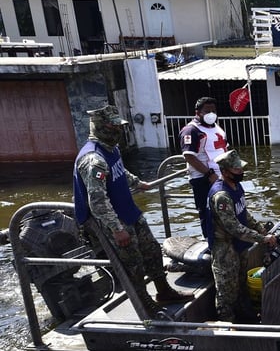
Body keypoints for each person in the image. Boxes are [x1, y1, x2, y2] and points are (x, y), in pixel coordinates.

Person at [73, 104, 194, 316]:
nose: (118, 131)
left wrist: (137, 182)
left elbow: (119, 169)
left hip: (129, 211)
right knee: (133, 263)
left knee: (153, 251)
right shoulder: (93, 160)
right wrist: (116, 229)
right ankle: (143, 302)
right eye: (113, 127)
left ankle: (163, 290)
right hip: (113, 220)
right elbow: (98, 201)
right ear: (101, 127)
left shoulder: (111, 149)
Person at [208, 150, 277, 322]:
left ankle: (244, 317)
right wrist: (262, 239)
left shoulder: (236, 187)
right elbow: (235, 228)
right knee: (226, 290)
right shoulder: (221, 196)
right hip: (225, 248)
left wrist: (260, 228)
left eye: (241, 169)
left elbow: (244, 214)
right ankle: (226, 325)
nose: (241, 172)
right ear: (225, 172)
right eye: (237, 170)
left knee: (240, 284)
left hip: (240, 245)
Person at [179, 97, 228, 239]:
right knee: (207, 211)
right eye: (207, 111)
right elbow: (189, 157)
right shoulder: (191, 130)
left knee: (224, 209)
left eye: (213, 110)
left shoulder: (216, 127)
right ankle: (210, 242)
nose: (211, 113)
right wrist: (209, 174)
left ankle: (226, 238)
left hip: (221, 176)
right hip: (203, 178)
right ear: (198, 112)